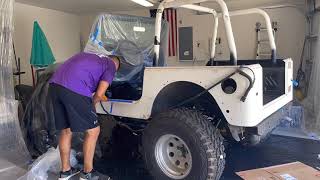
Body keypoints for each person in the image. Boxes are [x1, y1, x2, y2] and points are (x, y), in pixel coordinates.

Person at [49, 52, 120, 180]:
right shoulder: (111, 64)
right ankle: (88, 174)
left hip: (54, 85)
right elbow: (99, 94)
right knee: (93, 131)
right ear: (116, 64)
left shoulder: (91, 56)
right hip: (74, 87)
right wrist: (90, 105)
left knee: (66, 130)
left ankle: (65, 172)